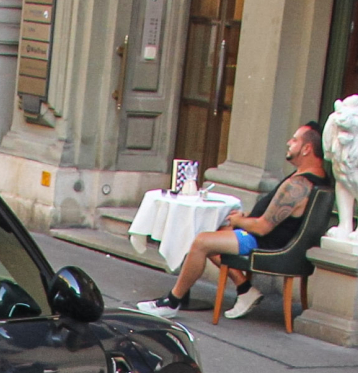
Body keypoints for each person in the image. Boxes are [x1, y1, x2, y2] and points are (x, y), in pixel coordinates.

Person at [137, 123, 326, 320]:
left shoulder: (298, 185)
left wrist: (240, 221)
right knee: (212, 230)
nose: (289, 143)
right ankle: (245, 289)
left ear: (307, 149)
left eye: (295, 140)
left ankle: (172, 301)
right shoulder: (314, 178)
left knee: (202, 241)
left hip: (264, 243)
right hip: (271, 239)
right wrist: (243, 220)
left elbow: (262, 228)